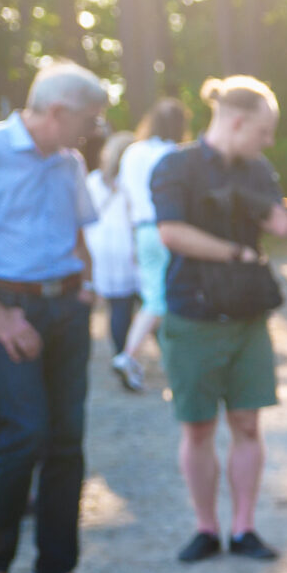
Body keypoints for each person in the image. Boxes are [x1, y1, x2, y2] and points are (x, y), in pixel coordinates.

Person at [0, 60, 116, 573]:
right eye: (88, 120)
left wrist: (83, 287)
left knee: (68, 440)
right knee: (24, 435)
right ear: (59, 112)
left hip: (65, 308)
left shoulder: (69, 163)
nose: (92, 131)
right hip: (7, 312)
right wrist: (1, 319)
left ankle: (54, 572)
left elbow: (80, 231)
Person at [153, 76, 287, 564]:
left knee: (248, 424)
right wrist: (234, 251)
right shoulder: (177, 166)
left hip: (247, 317)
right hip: (193, 315)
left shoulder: (257, 169)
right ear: (237, 121)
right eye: (263, 131)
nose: (268, 142)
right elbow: (171, 232)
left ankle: (245, 527)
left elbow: (281, 223)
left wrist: (248, 197)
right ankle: (206, 527)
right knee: (197, 429)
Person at [111, 96, 189, 393]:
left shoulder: (132, 152)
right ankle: (130, 355)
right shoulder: (174, 154)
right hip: (168, 228)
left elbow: (126, 194)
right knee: (162, 299)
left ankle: (152, 357)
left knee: (155, 295)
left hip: (142, 231)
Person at [85, 130, 142, 374]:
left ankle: (121, 354)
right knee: (151, 302)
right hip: (127, 246)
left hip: (100, 246)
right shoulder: (133, 183)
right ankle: (128, 355)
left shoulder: (93, 180)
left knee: (118, 306)